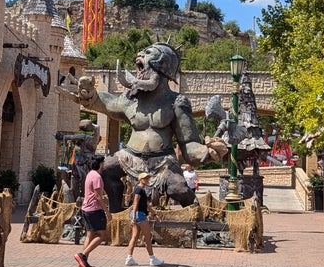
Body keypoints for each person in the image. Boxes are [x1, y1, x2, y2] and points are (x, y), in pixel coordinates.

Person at [64, 43, 228, 211]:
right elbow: (108, 103)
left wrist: (207, 153)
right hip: (129, 157)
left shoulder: (177, 102)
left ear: (162, 66)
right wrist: (91, 96)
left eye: (147, 54)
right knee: (105, 171)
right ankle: (116, 213)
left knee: (179, 189)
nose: (140, 56)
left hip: (163, 162)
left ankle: (198, 219)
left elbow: (188, 143)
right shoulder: (131, 99)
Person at [75, 156, 110, 267]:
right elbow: (98, 196)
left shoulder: (90, 174)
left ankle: (83, 264)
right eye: (103, 163)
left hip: (86, 208)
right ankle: (83, 255)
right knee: (101, 235)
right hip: (94, 209)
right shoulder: (97, 176)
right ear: (100, 164)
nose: (104, 165)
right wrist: (107, 211)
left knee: (90, 236)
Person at [126, 172, 164, 266]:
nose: (147, 180)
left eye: (147, 178)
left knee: (135, 236)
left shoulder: (142, 190)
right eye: (145, 178)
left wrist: (155, 214)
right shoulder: (139, 189)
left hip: (139, 214)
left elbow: (147, 204)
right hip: (140, 215)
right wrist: (134, 216)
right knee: (148, 237)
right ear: (140, 180)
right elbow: (135, 203)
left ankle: (129, 258)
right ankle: (152, 258)